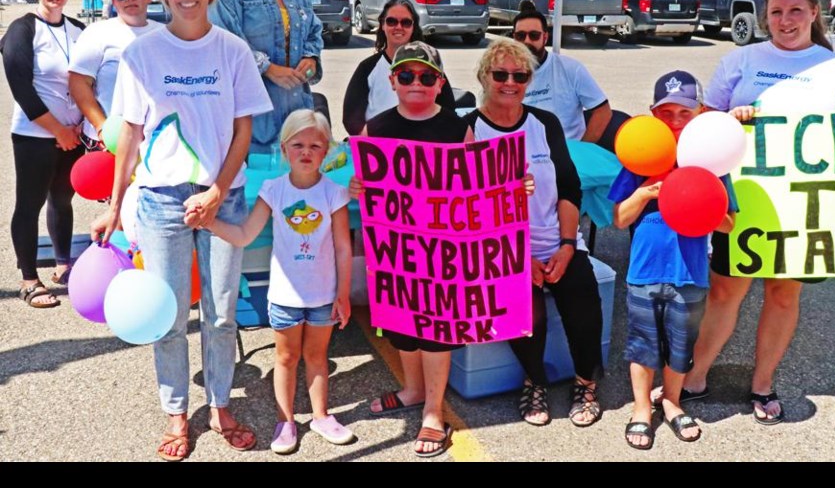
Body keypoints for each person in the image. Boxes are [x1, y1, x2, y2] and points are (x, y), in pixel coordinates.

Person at [680, 0, 835, 425]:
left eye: (796, 10)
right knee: (724, 293)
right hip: (744, 201)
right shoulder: (742, 60)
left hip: (805, 208)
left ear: (815, 13)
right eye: (776, 11)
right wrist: (729, 117)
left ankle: (763, 382)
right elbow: (703, 122)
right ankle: (696, 376)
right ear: (763, 16)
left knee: (783, 295)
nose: (786, 19)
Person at [91, 0, 273, 461]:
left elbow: (244, 129)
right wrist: (113, 203)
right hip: (161, 201)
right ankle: (177, 410)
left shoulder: (233, 50)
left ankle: (219, 405)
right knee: (169, 317)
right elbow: (129, 136)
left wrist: (217, 190)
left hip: (224, 199)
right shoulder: (142, 54)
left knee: (220, 315)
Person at [463, 38, 604, 428]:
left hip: (553, 238)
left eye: (520, 75)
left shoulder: (545, 123)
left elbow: (569, 189)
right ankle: (535, 380)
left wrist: (565, 246)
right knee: (525, 311)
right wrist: (518, 258)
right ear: (484, 77)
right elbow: (463, 207)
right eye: (501, 74)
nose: (510, 82)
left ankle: (586, 384)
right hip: (499, 246)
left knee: (584, 302)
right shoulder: (469, 130)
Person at [200, 109, 354, 454]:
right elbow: (243, 234)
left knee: (317, 356)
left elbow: (344, 248)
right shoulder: (273, 189)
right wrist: (208, 223)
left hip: (323, 296)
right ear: (284, 150)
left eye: (316, 145)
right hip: (285, 296)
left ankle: (320, 415)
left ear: (327, 150)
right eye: (298, 144)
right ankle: (285, 421)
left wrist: (342, 294)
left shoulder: (334, 193)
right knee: (286, 358)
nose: (306, 152)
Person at [351, 41, 472, 458]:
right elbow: (364, 185)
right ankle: (414, 389)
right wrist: (358, 187)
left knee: (437, 331)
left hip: (443, 252)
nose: (415, 83)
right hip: (396, 250)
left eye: (425, 76)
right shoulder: (376, 128)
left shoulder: (457, 128)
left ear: (439, 83)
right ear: (393, 82)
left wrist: (512, 186)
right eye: (406, 76)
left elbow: (480, 185)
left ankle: (434, 411)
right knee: (402, 325)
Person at [610, 70, 738, 450]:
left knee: (681, 347)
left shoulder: (711, 163)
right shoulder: (641, 158)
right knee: (642, 345)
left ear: (698, 113)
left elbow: (729, 224)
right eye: (667, 113)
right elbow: (619, 219)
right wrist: (647, 192)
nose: (675, 121)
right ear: (653, 115)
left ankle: (671, 400)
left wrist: (700, 201)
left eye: (684, 113)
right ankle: (639, 409)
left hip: (690, 274)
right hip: (644, 272)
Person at [0, 0, 85, 307]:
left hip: (73, 134)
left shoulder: (79, 29)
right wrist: (58, 130)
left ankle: (63, 265)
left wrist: (81, 125)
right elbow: (21, 88)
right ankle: (29, 279)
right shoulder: (22, 29)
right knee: (29, 203)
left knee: (63, 200)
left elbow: (88, 81)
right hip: (35, 134)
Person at [211, 0, 322, 154]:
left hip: (298, 108)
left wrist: (311, 58)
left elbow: (314, 30)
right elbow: (224, 40)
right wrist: (267, 68)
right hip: (254, 111)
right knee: (256, 187)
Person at [69, 0, 161, 150]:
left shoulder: (164, 35)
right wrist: (102, 128)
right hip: (108, 142)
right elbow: (78, 83)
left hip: (153, 142)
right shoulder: (98, 33)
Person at [342, 0, 455, 136]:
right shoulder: (367, 68)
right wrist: (371, 144)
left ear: (413, 27)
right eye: (391, 21)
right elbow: (351, 119)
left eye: (406, 22)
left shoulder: (431, 67)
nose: (398, 27)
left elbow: (449, 111)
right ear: (382, 24)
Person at [512, 1, 612, 143]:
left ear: (545, 37)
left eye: (534, 35)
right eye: (520, 36)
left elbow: (602, 112)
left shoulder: (570, 69)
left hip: (567, 155)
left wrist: (580, 152)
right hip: (524, 157)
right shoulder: (503, 75)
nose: (527, 41)